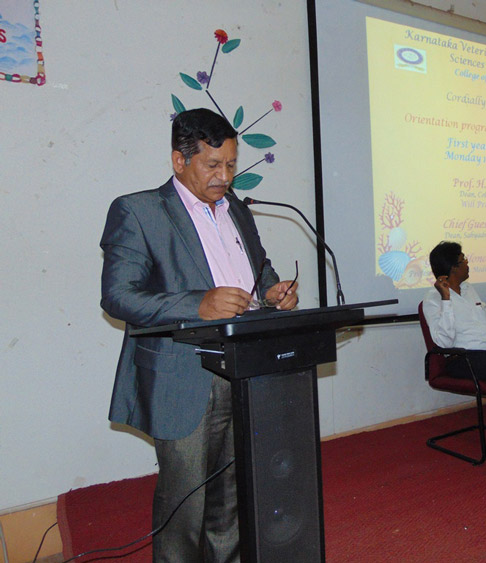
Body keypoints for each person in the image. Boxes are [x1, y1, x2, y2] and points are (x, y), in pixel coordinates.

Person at [100, 108, 298, 562]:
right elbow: (118, 296)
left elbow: (259, 267)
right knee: (185, 505)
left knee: (232, 498)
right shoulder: (139, 211)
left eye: (231, 164)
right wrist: (197, 304)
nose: (224, 176)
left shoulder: (237, 210)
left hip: (245, 370)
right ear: (179, 160)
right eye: (212, 165)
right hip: (185, 378)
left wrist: (272, 291)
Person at [422, 241, 486, 383]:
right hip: (464, 358)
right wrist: (446, 300)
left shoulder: (468, 288)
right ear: (453, 268)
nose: (467, 263)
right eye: (463, 259)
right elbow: (445, 342)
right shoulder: (433, 299)